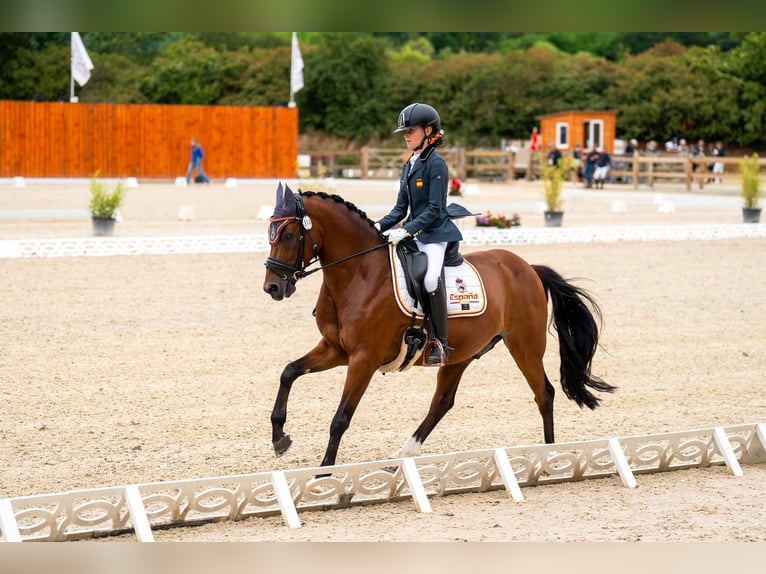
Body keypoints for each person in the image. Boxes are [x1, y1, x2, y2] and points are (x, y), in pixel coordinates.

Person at [375, 103, 463, 366]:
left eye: (410, 130)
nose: (405, 135)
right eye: (405, 131)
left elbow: (435, 209)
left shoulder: (436, 164)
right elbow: (400, 209)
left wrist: (406, 230)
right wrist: (376, 227)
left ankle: (440, 343)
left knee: (430, 280)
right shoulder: (410, 164)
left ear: (428, 131)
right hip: (416, 233)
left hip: (436, 234)